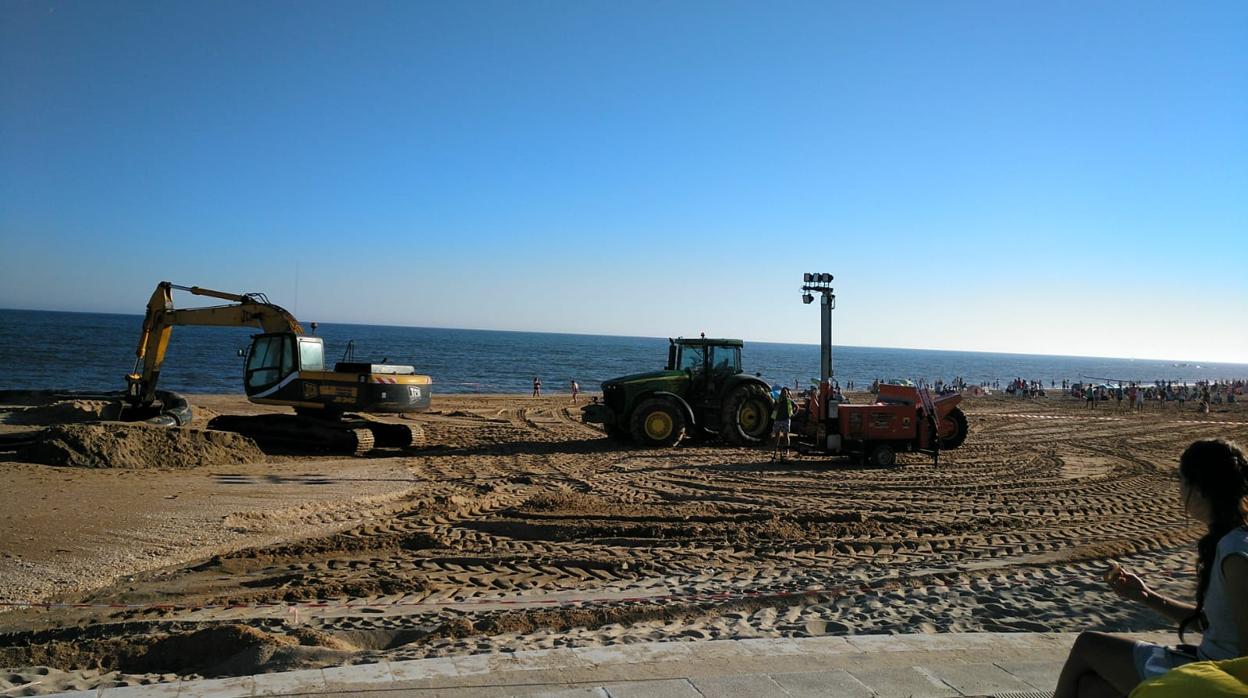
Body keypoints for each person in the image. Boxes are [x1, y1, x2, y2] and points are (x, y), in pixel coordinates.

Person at [1055, 438, 1248, 698]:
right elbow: (1213, 626)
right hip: (1207, 666)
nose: (1180, 491)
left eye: (1182, 481)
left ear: (1200, 490)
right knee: (1091, 688)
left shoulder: (1235, 554)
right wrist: (1146, 596)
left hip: (1215, 678)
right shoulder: (1228, 541)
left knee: (1087, 645)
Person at [770, 387, 797, 463]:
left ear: (787, 393)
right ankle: (775, 449)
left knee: (786, 435)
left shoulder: (789, 401)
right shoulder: (778, 400)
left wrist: (793, 414)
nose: (784, 394)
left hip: (785, 419)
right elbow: (774, 408)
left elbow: (796, 407)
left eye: (785, 392)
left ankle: (787, 450)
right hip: (778, 419)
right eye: (783, 392)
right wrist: (778, 403)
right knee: (777, 435)